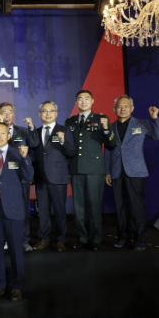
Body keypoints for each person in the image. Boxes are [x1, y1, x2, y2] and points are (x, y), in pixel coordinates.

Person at [0, 122, 33, 302]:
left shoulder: (18, 154)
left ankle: (17, 286)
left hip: (14, 209)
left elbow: (29, 177)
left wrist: (25, 158)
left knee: (16, 249)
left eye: (2, 133)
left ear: (9, 136)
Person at [105, 97, 159, 251]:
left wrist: (154, 118)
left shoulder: (141, 123)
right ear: (114, 109)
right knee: (120, 207)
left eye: (126, 106)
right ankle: (123, 237)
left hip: (136, 171)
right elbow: (108, 150)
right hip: (116, 171)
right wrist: (107, 171)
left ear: (132, 108)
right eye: (119, 106)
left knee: (136, 206)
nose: (122, 109)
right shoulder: (110, 127)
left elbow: (158, 136)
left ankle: (140, 238)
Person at [65, 90, 116, 251]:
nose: (83, 101)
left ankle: (95, 238)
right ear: (76, 102)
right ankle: (82, 237)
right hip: (76, 168)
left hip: (94, 169)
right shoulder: (70, 121)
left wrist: (106, 128)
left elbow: (111, 143)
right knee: (79, 207)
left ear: (92, 101)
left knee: (93, 205)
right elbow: (69, 146)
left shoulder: (101, 119)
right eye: (80, 99)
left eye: (86, 99)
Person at [30, 101, 76, 251]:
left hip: (58, 176)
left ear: (56, 113)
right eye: (44, 111)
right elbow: (33, 155)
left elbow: (71, 152)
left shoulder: (64, 130)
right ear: (40, 114)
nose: (48, 113)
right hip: (41, 177)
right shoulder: (36, 132)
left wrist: (63, 141)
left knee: (59, 211)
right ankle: (44, 239)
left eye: (51, 111)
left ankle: (60, 240)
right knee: (42, 212)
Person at [0, 102, 39, 252]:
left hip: (20, 176)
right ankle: (6, 239)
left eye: (10, 111)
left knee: (23, 209)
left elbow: (34, 143)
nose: (7, 114)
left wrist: (31, 127)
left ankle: (24, 240)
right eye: (4, 112)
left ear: (13, 114)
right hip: (2, 177)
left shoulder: (23, 131)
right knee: (3, 209)